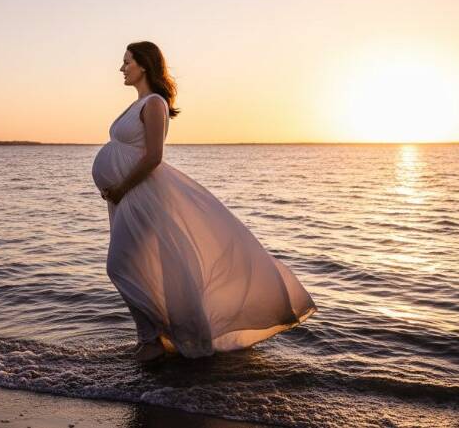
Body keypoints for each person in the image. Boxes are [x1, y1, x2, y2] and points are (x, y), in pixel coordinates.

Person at [91, 41, 317, 363]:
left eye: (127, 62)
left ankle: (155, 339)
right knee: (139, 266)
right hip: (125, 198)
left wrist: (122, 187)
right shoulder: (136, 104)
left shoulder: (154, 103)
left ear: (144, 64)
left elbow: (154, 156)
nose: (121, 68)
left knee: (119, 265)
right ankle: (151, 338)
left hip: (140, 195)